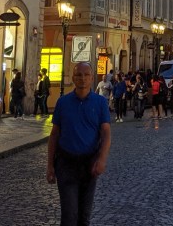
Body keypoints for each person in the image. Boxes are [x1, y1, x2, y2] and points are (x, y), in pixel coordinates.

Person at [46, 62, 111, 226]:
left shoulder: (100, 103)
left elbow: (106, 133)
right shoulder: (63, 102)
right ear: (73, 78)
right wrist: (50, 166)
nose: (82, 78)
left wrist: (102, 159)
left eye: (86, 75)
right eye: (79, 75)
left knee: (84, 216)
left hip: (89, 164)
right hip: (66, 163)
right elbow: (54, 135)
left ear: (92, 78)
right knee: (69, 215)